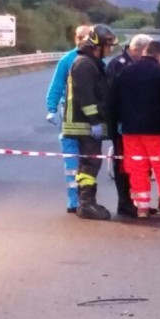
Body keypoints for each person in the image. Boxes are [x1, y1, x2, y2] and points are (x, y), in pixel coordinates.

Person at [110, 39, 160, 219]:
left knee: (136, 167)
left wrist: (117, 123)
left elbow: (114, 100)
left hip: (130, 130)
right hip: (157, 129)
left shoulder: (126, 72)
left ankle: (141, 207)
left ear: (144, 53)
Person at [63, 24, 118, 220]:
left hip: (86, 124)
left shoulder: (90, 62)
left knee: (90, 163)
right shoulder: (85, 64)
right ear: (99, 45)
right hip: (84, 124)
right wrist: (94, 121)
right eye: (109, 46)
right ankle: (86, 204)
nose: (110, 50)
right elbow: (86, 97)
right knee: (90, 163)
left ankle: (87, 202)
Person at [45, 24, 92, 213]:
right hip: (69, 114)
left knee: (88, 159)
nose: (84, 41)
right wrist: (51, 107)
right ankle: (74, 200)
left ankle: (87, 199)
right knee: (72, 160)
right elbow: (56, 85)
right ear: (76, 38)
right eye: (82, 37)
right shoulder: (67, 60)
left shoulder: (96, 61)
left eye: (87, 37)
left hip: (90, 116)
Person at [105, 33, 151, 217]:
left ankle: (136, 202)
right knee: (123, 164)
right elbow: (112, 97)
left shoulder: (132, 64)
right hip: (122, 123)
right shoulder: (119, 65)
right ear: (137, 50)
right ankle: (124, 202)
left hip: (135, 123)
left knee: (137, 164)